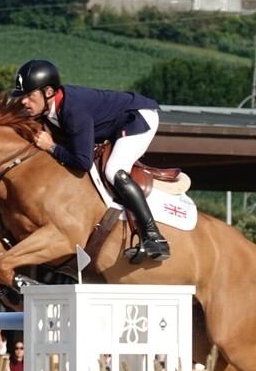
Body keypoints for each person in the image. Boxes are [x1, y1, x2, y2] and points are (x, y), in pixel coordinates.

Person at [10, 59, 169, 262]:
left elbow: (83, 162)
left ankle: (154, 237)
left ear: (48, 92)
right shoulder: (50, 109)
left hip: (137, 118)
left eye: (29, 95)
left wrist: (51, 146)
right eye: (23, 96)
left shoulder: (72, 111)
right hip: (115, 123)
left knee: (114, 170)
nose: (24, 101)